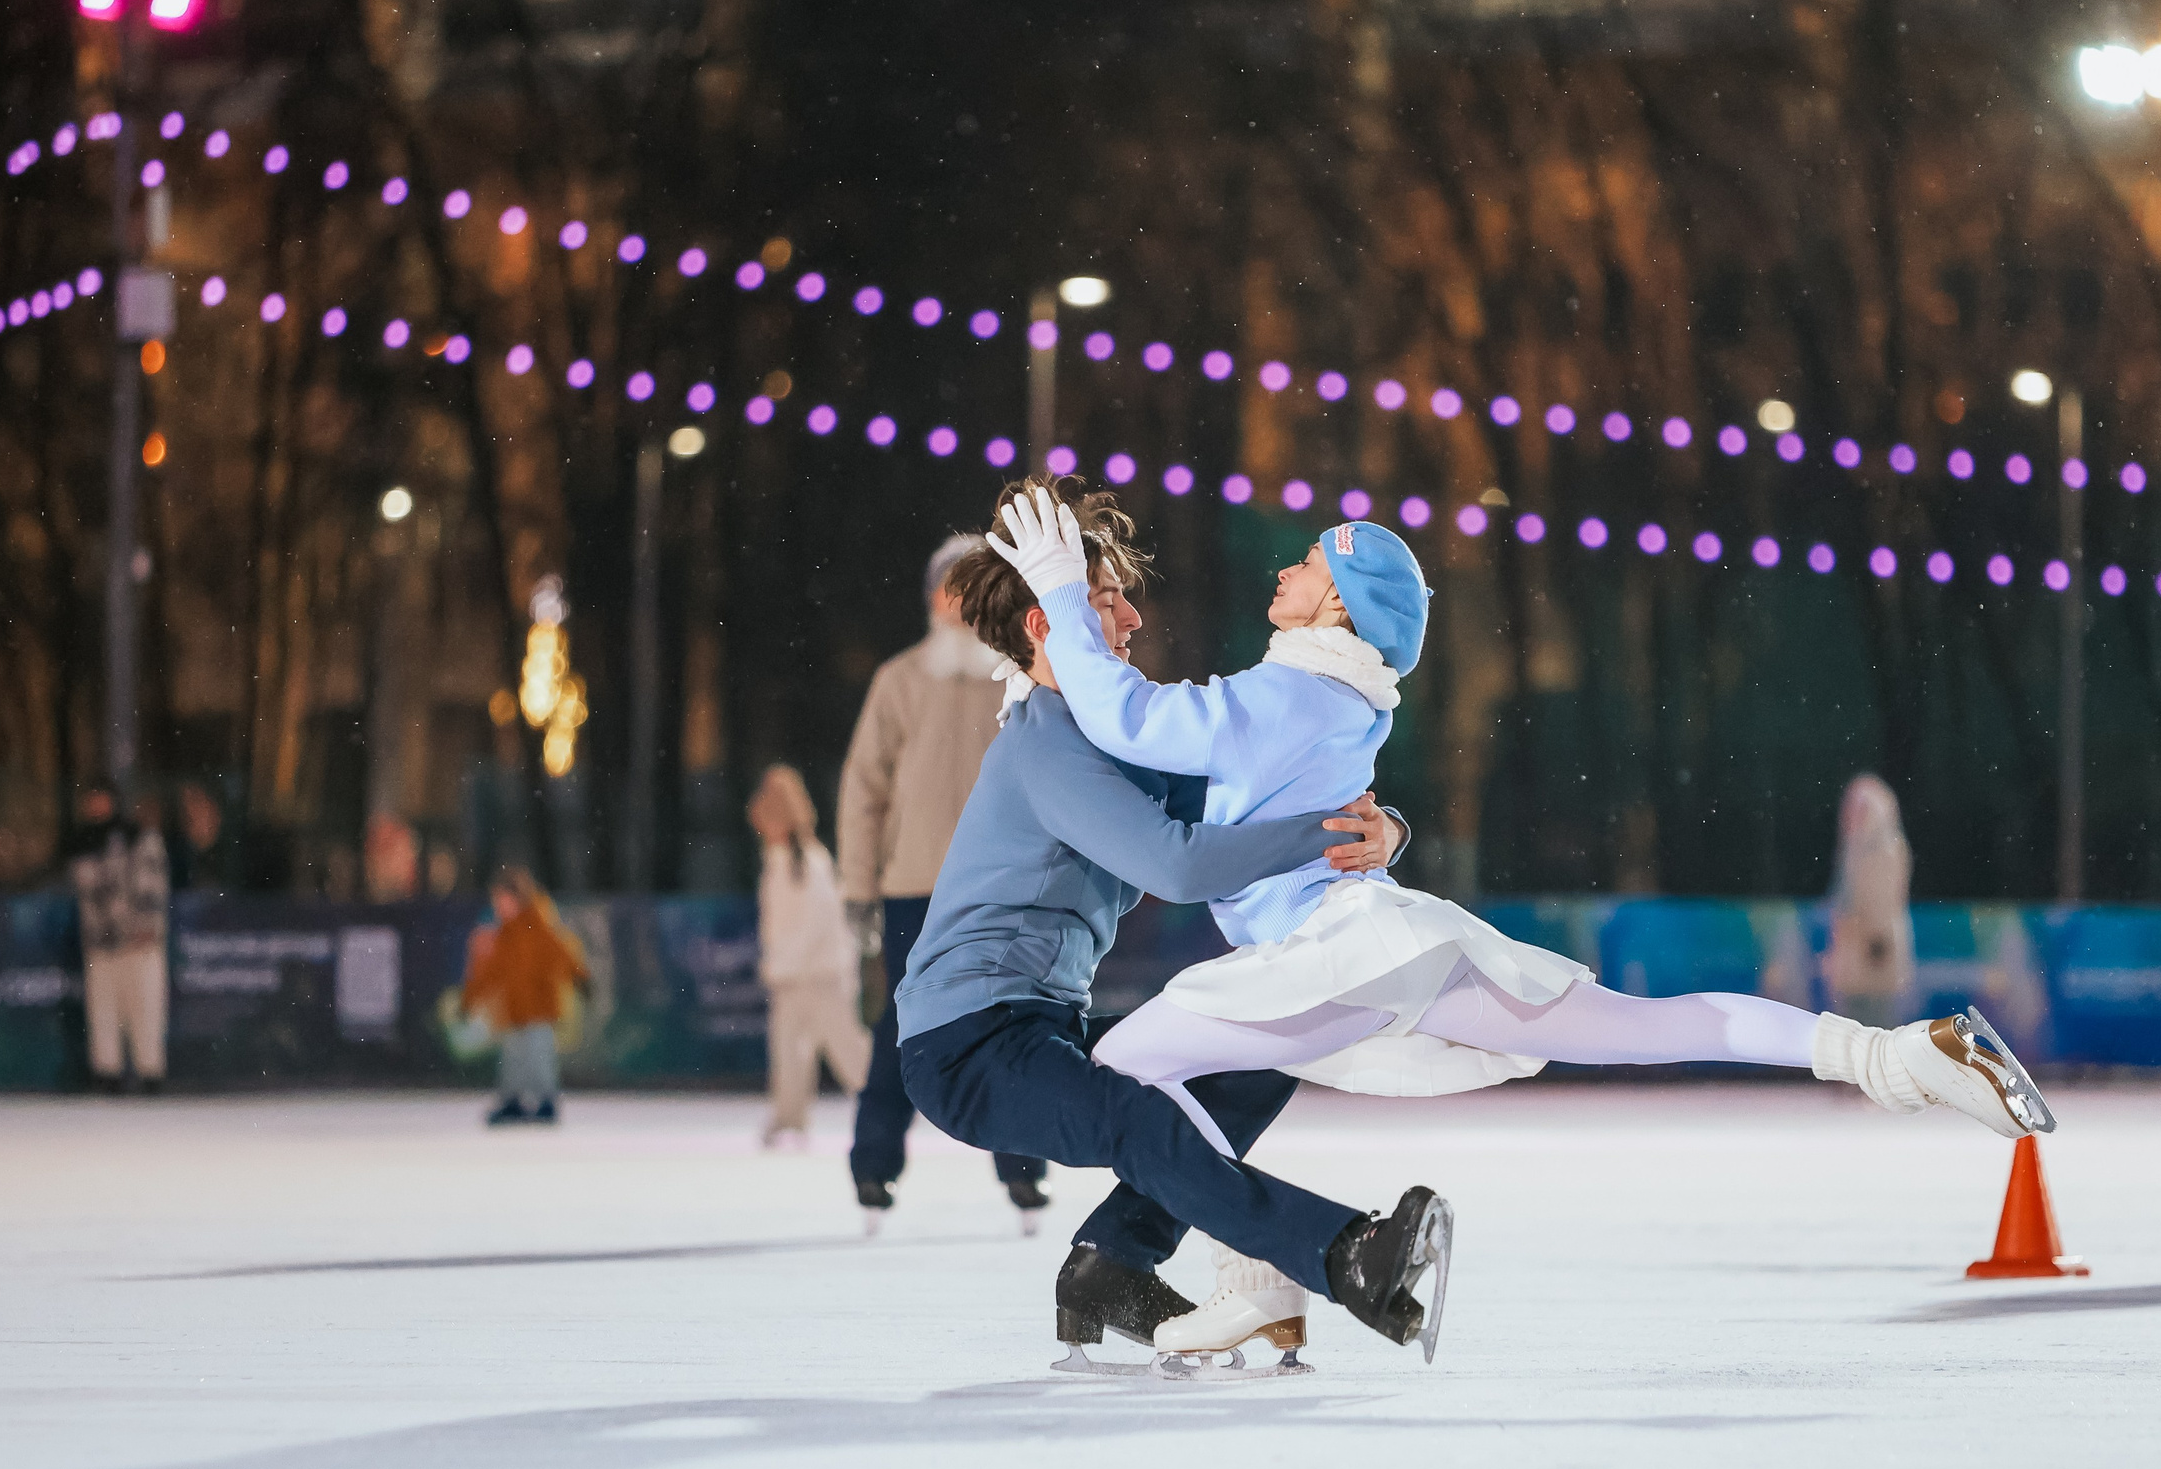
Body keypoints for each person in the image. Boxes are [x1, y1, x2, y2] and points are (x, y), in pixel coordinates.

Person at [985, 486, 2059, 1360]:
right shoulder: (1324, 696)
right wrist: (1391, 827)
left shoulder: (1281, 697)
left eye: (1308, 561)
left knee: (1119, 1077)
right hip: (1393, 943)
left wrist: (1057, 602)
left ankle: (1258, 1271)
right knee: (1644, 1023)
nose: (1283, 570)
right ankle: (1898, 1055)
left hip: (1327, 959)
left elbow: (1134, 717)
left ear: (1341, 607)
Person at [899, 474, 1452, 1374]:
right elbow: (1182, 865)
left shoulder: (1116, 742)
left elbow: (1269, 791)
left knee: (1253, 1051)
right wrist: (1323, 830)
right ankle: (1347, 1255)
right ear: (1051, 627)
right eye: (1108, 601)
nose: (1131, 622)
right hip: (967, 1045)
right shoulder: (1049, 739)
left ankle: (1111, 1262)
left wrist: (1384, 828)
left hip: (1039, 1025)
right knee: (1142, 1119)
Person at [837, 533, 1052, 1229]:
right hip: (914, 886)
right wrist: (858, 888)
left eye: (975, 588)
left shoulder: (1021, 679)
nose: (960, 603)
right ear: (934, 598)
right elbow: (863, 791)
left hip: (1002, 888)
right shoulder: (899, 681)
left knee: (1011, 1021)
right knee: (904, 1025)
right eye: (952, 588)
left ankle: (1022, 1171)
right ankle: (874, 1167)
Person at [750, 764, 872, 1152]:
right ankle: (790, 1117)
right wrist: (778, 963)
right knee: (788, 1051)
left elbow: (821, 923)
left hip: (823, 974)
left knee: (847, 1049)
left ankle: (884, 1100)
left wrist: (784, 962)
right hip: (792, 976)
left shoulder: (812, 862)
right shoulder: (777, 860)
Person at [460, 867, 591, 1126]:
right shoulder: (505, 935)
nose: (498, 906)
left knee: (539, 1059)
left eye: (502, 899)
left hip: (539, 1009)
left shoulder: (538, 926)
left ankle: (546, 1101)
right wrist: (469, 1000)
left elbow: (560, 953)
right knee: (512, 1061)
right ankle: (512, 1101)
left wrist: (580, 977)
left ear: (517, 898)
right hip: (515, 1011)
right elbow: (490, 974)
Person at [69, 785, 172, 1094]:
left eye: (101, 800)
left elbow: (153, 886)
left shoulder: (138, 837)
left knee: (146, 1011)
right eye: (91, 801)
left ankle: (150, 1075)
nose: (96, 807)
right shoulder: (83, 841)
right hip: (102, 944)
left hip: (139, 942)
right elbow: (86, 887)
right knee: (103, 1013)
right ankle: (107, 1074)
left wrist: (148, 926)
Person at [1824, 773, 1916, 1027]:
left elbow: (1884, 904)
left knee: (1875, 1035)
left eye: (1862, 809)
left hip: (1874, 961)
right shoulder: (1854, 849)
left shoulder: (1886, 850)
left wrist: (1875, 946)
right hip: (1854, 963)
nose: (1853, 815)